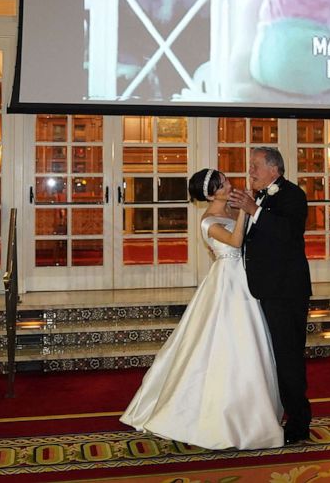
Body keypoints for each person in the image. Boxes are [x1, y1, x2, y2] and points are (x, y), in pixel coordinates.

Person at [120, 168, 284, 450]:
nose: (228, 183)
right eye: (222, 183)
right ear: (211, 193)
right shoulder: (208, 220)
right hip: (227, 283)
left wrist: (243, 209)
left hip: (244, 278)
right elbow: (235, 242)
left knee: (250, 342)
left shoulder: (231, 212)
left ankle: (253, 411)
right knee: (224, 341)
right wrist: (247, 207)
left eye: (226, 179)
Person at [228, 147, 313, 444]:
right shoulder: (259, 198)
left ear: (274, 170)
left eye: (255, 166)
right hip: (261, 289)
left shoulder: (293, 195)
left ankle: (299, 424)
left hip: (286, 291)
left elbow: (287, 233)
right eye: (250, 165)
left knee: (288, 357)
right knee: (268, 357)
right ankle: (270, 414)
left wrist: (254, 210)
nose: (250, 170)